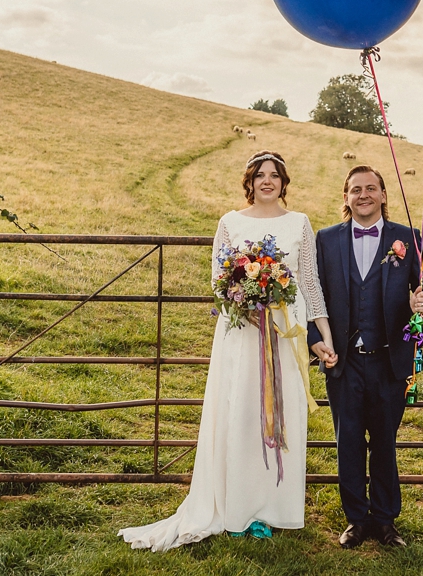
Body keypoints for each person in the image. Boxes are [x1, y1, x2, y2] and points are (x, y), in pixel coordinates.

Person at [119, 151, 337, 550]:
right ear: (249, 182)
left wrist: (324, 336)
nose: (267, 182)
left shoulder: (300, 224)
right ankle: (236, 507)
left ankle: (272, 510)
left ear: (284, 183)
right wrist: (242, 305)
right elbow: (219, 282)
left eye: (274, 175)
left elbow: (310, 284)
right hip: (240, 334)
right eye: (260, 176)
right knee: (239, 413)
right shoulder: (229, 222)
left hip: (284, 334)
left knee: (278, 416)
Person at [309, 164, 423, 549]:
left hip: (389, 360)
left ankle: (385, 521)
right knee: (347, 440)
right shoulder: (326, 239)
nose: (363, 195)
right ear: (345, 198)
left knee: (384, 441)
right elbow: (312, 293)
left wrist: (422, 302)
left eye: (370, 188)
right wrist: (317, 338)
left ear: (383, 195)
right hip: (343, 362)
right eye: (355, 189)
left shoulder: (406, 237)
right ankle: (355, 520)